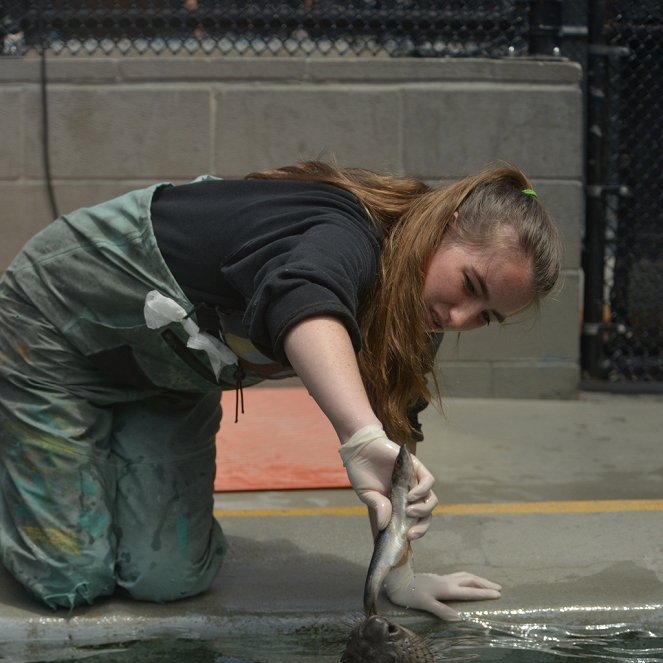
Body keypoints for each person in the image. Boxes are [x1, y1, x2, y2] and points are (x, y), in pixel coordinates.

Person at [0, 161, 561, 616]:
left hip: (166, 382)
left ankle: (84, 471)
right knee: (69, 579)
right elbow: (305, 293)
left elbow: (391, 461)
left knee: (167, 580)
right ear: (447, 224)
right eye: (469, 285)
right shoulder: (345, 231)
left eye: (485, 317)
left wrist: (399, 576)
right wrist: (359, 437)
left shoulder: (413, 322)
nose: (459, 316)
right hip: (52, 337)